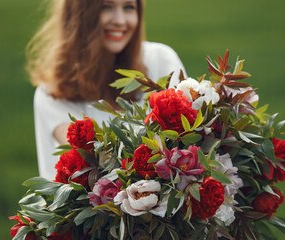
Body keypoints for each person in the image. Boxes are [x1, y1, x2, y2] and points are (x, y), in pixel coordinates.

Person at [27, 0, 187, 180]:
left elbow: (187, 141)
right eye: (106, 6)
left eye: (129, 7)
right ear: (79, 14)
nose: (119, 20)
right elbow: (98, 164)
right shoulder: (54, 91)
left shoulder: (161, 61)